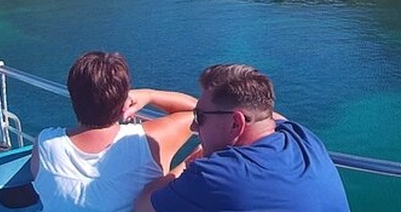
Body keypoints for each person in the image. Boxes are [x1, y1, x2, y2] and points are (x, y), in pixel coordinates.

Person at [135, 64, 350, 212]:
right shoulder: (302, 137)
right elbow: (261, 113)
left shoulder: (216, 175)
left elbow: (143, 206)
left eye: (200, 117)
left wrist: (188, 163)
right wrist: (152, 95)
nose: (193, 126)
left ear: (236, 124)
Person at [31, 51, 196, 212]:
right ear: (124, 101)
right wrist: (149, 95)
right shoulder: (149, 142)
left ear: (73, 96)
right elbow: (198, 110)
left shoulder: (45, 143)